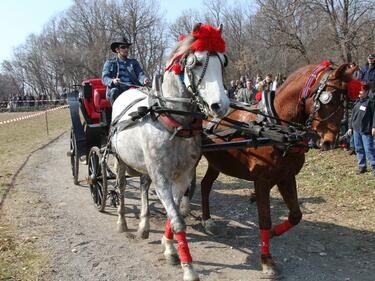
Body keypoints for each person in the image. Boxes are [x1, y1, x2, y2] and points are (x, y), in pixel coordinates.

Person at [102, 36, 150, 104]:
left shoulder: (133, 62)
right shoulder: (110, 63)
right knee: (114, 91)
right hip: (118, 90)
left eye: (127, 47)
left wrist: (144, 80)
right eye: (123, 47)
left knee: (148, 93)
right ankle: (116, 113)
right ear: (117, 49)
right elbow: (104, 78)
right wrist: (113, 81)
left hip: (132, 89)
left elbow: (140, 75)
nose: (126, 49)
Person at [348, 82, 375, 176]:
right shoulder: (357, 102)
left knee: (369, 149)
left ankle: (374, 166)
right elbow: (353, 116)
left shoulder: (371, 102)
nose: (359, 92)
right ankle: (362, 167)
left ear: (366, 92)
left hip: (366, 129)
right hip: (356, 129)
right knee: (358, 149)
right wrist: (350, 127)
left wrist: (373, 127)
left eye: (361, 90)